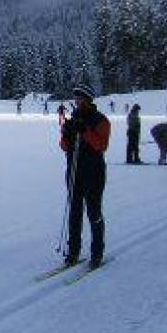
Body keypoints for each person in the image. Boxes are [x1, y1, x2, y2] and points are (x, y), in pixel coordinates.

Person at [60, 84, 110, 269]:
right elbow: (65, 146)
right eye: (76, 99)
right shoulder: (73, 120)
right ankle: (73, 251)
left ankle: (97, 252)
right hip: (74, 171)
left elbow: (101, 145)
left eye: (81, 99)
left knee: (93, 211)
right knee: (74, 212)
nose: (77, 102)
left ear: (89, 100)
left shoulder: (100, 120)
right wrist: (66, 135)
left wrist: (85, 131)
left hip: (94, 172)